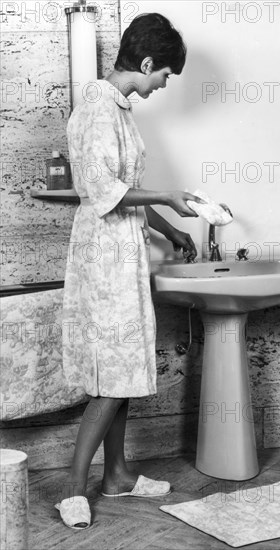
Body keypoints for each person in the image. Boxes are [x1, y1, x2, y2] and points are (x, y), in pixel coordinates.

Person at [57, 13, 202, 530]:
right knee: (111, 377)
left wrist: (169, 229)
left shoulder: (119, 111)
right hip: (103, 257)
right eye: (165, 75)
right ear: (145, 63)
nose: (164, 85)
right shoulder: (97, 111)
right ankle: (74, 487)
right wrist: (167, 194)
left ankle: (116, 475)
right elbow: (103, 193)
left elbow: (126, 192)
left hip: (125, 250)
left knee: (123, 370)